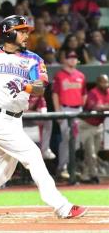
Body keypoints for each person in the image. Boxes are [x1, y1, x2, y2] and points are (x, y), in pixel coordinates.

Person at [0, 15, 87, 219]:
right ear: (8, 32)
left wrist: (25, 85)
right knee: (33, 155)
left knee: (1, 173)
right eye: (22, 30)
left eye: (26, 30)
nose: (26, 34)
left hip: (14, 119)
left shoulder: (34, 59)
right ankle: (61, 206)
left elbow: (40, 88)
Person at [52, 50, 87, 180]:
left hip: (77, 110)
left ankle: (70, 166)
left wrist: (81, 107)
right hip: (65, 110)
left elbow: (84, 93)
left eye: (74, 57)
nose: (72, 60)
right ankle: (63, 167)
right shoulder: (59, 75)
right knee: (66, 139)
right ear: (65, 60)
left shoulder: (81, 75)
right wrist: (58, 111)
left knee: (76, 141)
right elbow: (55, 94)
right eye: (70, 57)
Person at [78, 74, 109, 184]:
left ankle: (84, 175)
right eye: (103, 82)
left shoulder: (107, 92)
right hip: (87, 125)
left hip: (98, 126)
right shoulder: (93, 93)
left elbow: (102, 107)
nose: (106, 85)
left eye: (107, 82)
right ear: (98, 83)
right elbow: (96, 107)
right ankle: (93, 175)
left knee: (93, 153)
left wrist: (104, 106)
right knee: (91, 153)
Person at [24, 95, 56, 160]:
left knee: (48, 120)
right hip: (18, 119)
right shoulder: (22, 93)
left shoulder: (39, 95)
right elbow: (18, 111)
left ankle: (45, 149)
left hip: (32, 119)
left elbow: (43, 112)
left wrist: (28, 112)